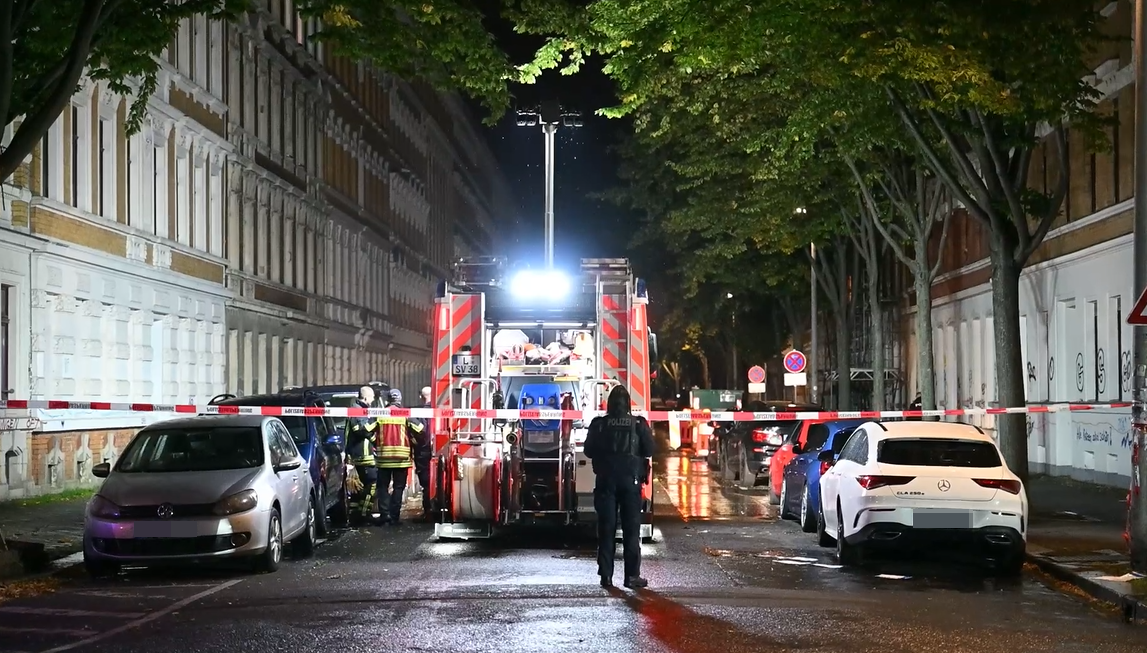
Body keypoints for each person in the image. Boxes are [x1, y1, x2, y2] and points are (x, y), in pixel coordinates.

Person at [583, 385, 655, 589]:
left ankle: (606, 576)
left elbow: (588, 451)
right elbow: (649, 449)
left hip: (606, 482)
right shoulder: (638, 424)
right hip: (630, 482)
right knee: (631, 530)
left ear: (609, 404)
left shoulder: (599, 424)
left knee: (606, 529)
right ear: (628, 404)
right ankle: (631, 577)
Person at [374, 389, 424, 525]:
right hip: (402, 459)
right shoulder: (404, 414)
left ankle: (385, 515)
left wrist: (375, 440)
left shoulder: (381, 413)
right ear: (400, 400)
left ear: (388, 400)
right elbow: (420, 429)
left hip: (384, 458)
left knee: (382, 487)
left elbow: (367, 430)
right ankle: (394, 516)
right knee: (398, 487)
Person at [344, 386, 379, 526]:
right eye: (371, 397)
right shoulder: (357, 410)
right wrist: (376, 422)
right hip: (362, 455)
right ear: (365, 398)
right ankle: (363, 514)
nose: (373, 400)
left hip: (362, 454)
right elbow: (360, 429)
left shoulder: (360, 409)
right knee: (372, 484)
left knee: (360, 487)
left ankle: (357, 514)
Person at [413, 386, 434, 521]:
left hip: (422, 453)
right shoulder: (442, 411)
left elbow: (417, 433)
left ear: (421, 397)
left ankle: (428, 511)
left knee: (426, 484)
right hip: (437, 451)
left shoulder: (418, 413)